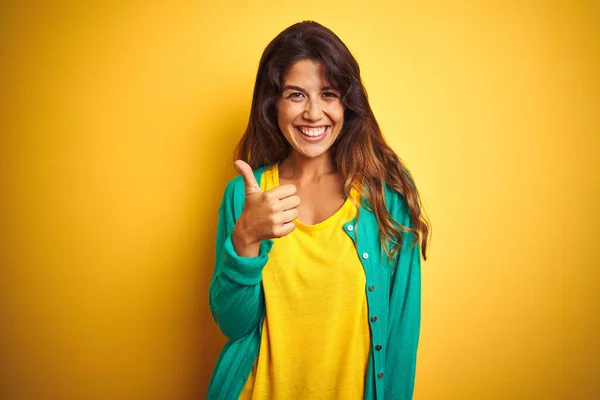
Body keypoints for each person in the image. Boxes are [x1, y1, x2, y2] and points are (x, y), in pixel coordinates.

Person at [207, 21, 430, 400]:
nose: (313, 113)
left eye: (328, 94)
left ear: (347, 103)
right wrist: (245, 238)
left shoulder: (386, 196)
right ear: (272, 104)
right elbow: (233, 323)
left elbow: (401, 335)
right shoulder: (244, 195)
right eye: (296, 95)